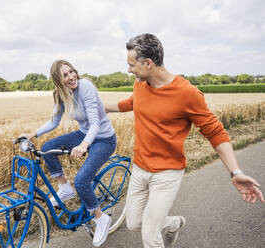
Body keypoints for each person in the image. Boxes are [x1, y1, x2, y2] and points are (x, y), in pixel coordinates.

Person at [105, 33, 264, 248]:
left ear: (149, 63)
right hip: (139, 168)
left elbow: (215, 132)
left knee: (150, 234)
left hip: (167, 173)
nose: (129, 70)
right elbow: (132, 103)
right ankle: (173, 223)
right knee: (134, 223)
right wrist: (102, 108)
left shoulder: (187, 93)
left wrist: (235, 172)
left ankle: (160, 226)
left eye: (131, 65)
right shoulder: (140, 84)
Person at [19, 59, 116, 247]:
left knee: (82, 180)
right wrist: (32, 134)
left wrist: (84, 145)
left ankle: (100, 218)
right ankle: (64, 188)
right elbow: (54, 121)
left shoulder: (85, 86)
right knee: (46, 148)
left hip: (103, 138)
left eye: (72, 71)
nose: (71, 76)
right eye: (65, 75)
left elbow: (95, 123)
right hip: (83, 133)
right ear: (58, 80)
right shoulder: (60, 95)